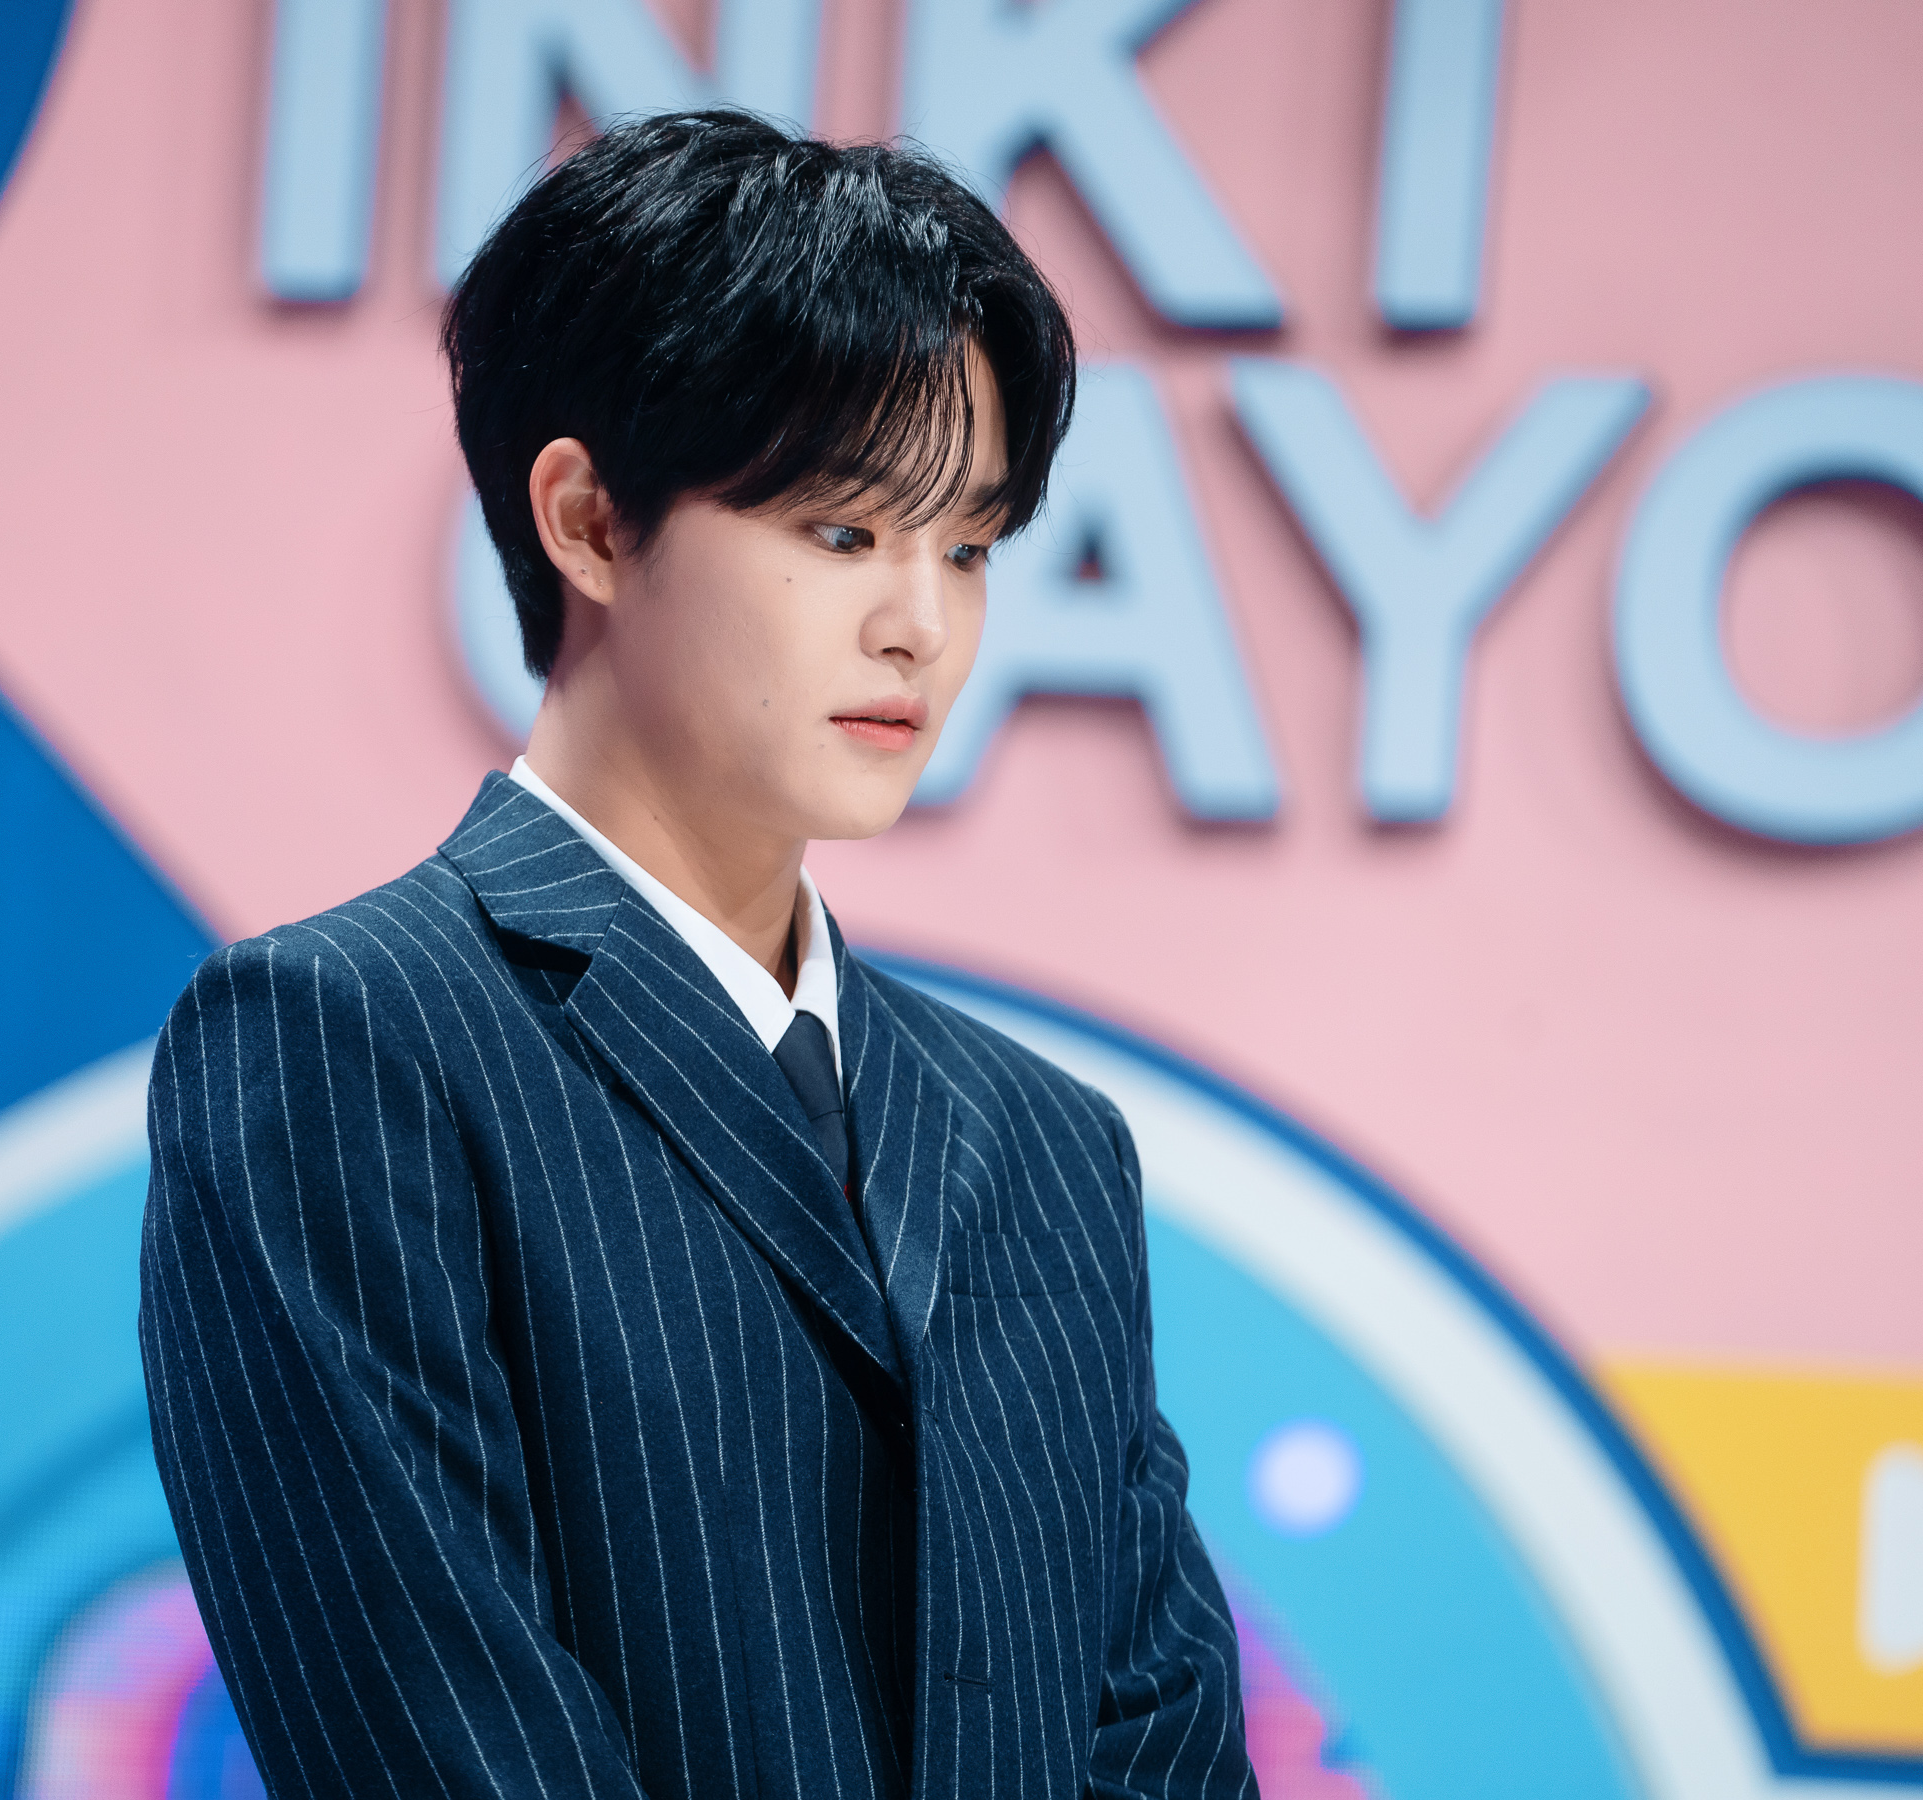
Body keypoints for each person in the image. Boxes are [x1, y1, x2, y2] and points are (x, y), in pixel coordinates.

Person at [139, 109, 1258, 1800]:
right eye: (843, 533)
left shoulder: (1047, 1143)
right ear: (589, 521)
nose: (922, 625)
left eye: (967, 547)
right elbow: (443, 1744)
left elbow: (1162, 1740)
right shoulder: (342, 1042)